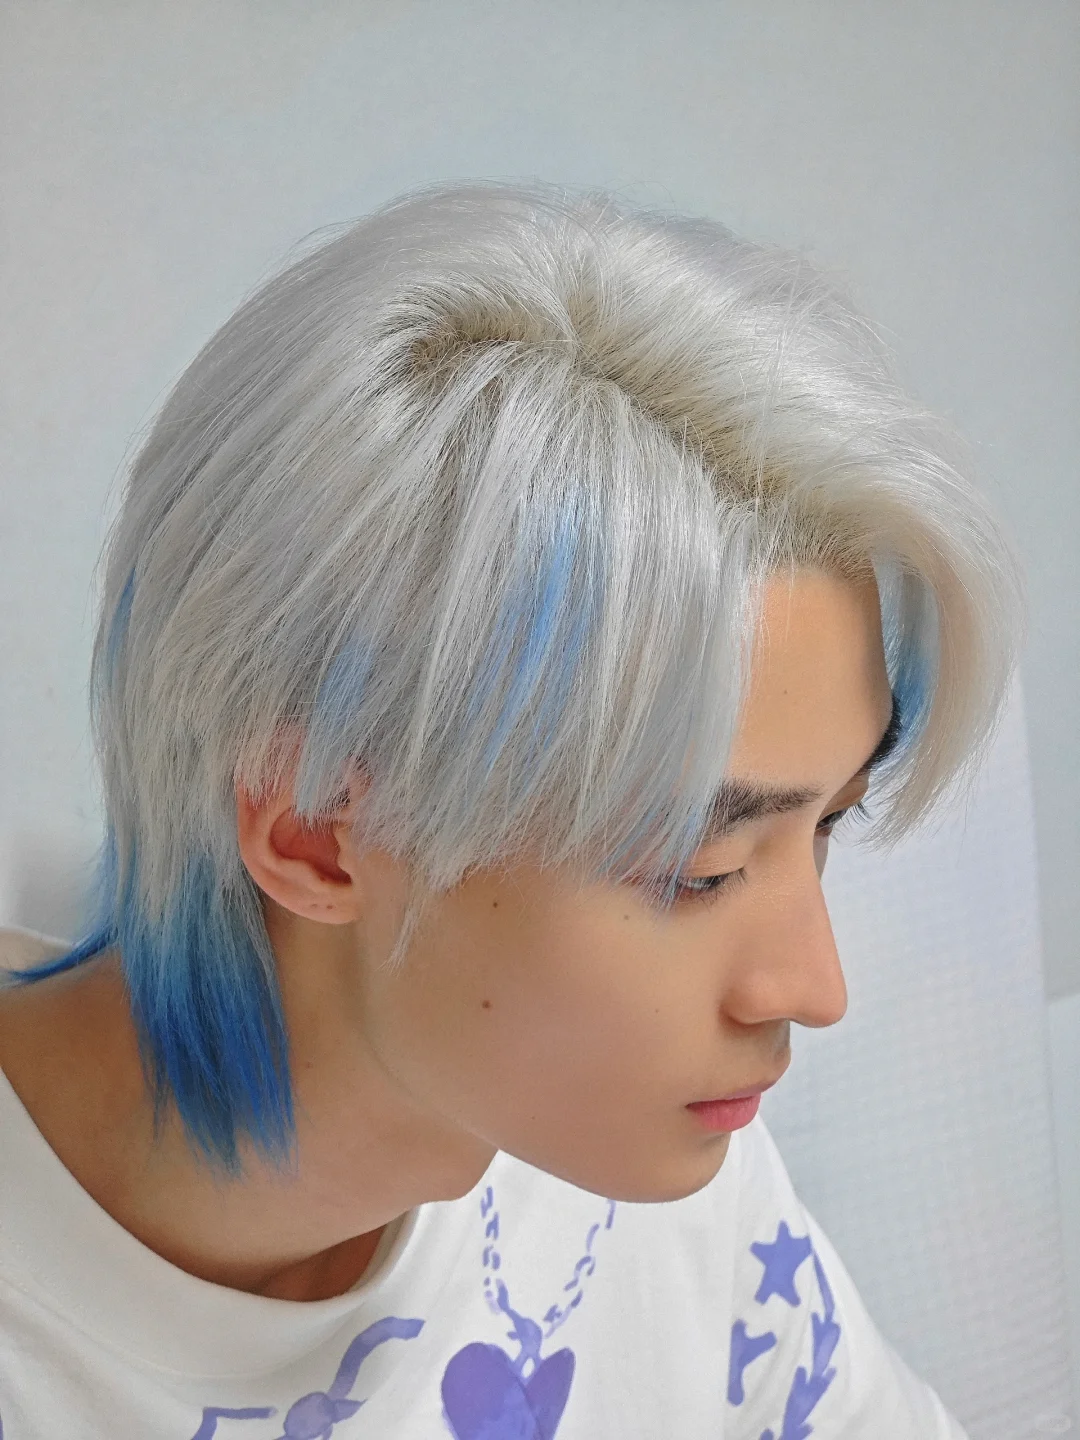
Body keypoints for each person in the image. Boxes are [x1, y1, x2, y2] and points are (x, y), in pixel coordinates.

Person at [0, 181, 1021, 1439]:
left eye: (826, 828)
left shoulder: (642, 1151)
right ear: (314, 827)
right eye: (699, 869)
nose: (813, 988)